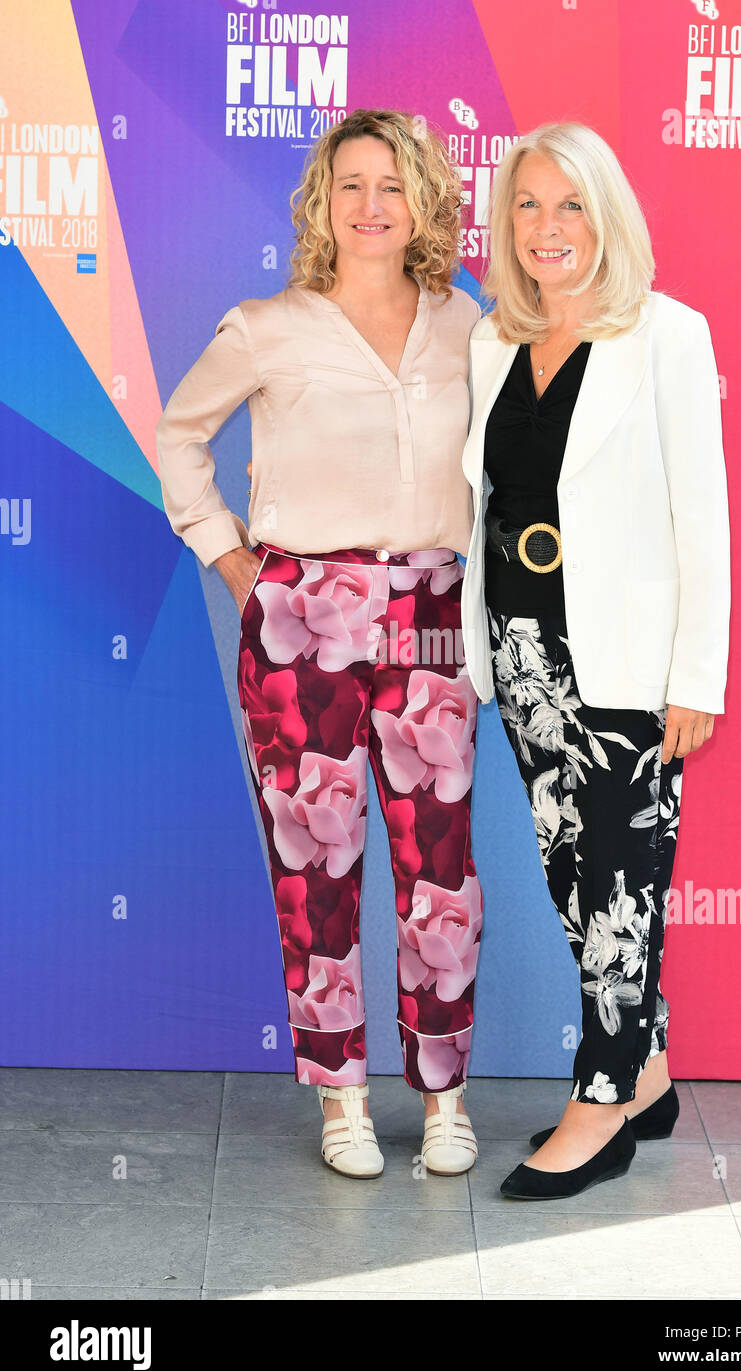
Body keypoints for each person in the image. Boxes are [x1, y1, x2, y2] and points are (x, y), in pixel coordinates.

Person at [155, 109, 482, 1180]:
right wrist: (233, 558)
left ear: (424, 199)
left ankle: (443, 1099)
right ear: (320, 203)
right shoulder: (269, 325)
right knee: (318, 863)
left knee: (440, 872)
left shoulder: (464, 325)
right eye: (351, 184)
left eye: (393, 184)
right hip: (303, 617)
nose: (372, 204)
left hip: (432, 610)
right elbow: (180, 434)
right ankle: (340, 1092)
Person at [458, 121, 731, 1200]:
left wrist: (694, 675)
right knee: (577, 875)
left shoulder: (667, 334)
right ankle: (650, 1070)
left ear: (606, 214)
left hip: (625, 656)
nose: (548, 228)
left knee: (623, 880)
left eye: (570, 205)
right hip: (524, 651)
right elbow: (487, 503)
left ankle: (602, 1098)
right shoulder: (492, 344)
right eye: (528, 205)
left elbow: (699, 516)